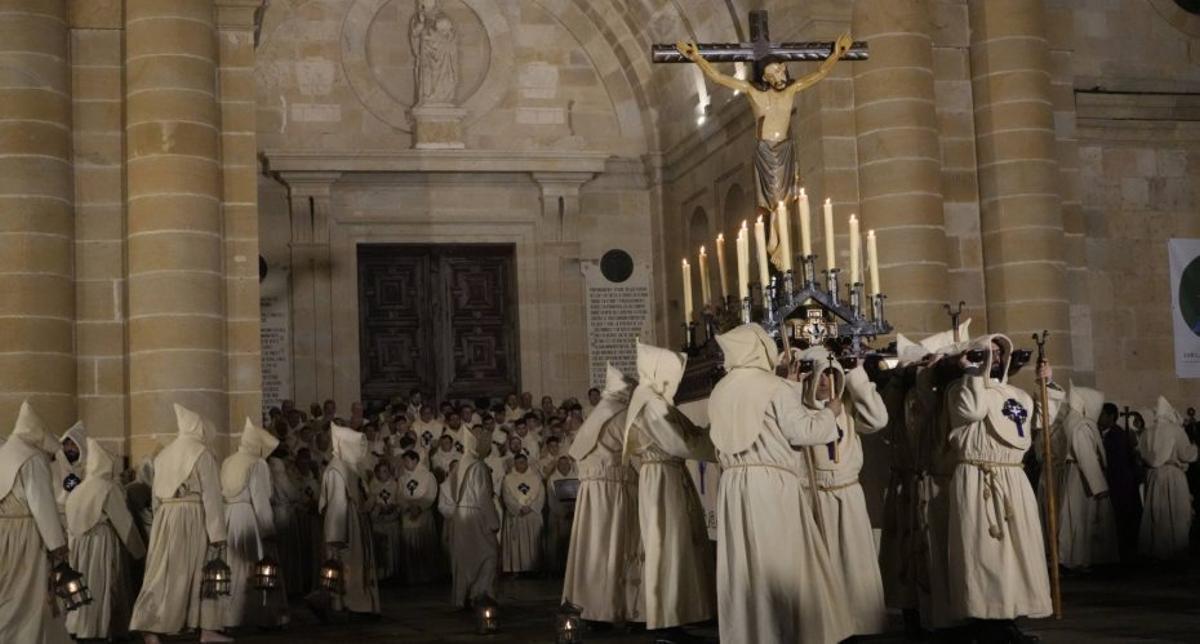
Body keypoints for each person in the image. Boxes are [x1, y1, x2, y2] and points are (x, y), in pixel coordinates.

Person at [706, 324, 851, 644]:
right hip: (771, 487)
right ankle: (789, 633)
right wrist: (830, 413)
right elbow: (803, 432)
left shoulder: (721, 390)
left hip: (734, 488)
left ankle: (752, 633)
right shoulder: (773, 387)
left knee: (748, 566)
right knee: (781, 561)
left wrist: (786, 385)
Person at [945, 334, 1052, 643]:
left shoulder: (1016, 394)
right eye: (986, 353)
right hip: (980, 478)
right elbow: (973, 411)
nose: (994, 358)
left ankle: (1008, 615)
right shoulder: (960, 390)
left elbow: (1041, 424)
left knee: (1017, 553)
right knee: (986, 554)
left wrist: (1047, 387)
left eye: (998, 353)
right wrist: (972, 375)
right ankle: (986, 620)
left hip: (1013, 478)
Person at [622, 341, 718, 631]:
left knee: (676, 544)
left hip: (669, 475)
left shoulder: (656, 399)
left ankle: (680, 613)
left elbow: (687, 433)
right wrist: (718, 438)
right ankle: (667, 620)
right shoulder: (649, 402)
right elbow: (680, 442)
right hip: (662, 479)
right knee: (667, 544)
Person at [795, 346, 890, 636]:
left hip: (847, 495)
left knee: (852, 565)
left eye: (832, 375)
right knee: (823, 567)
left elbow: (878, 419)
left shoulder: (847, 409)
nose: (826, 382)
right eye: (821, 376)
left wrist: (857, 376)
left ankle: (859, 625)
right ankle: (826, 628)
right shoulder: (798, 411)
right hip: (815, 496)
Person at [130, 403, 230, 644]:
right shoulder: (201, 453)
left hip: (166, 517)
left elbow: (155, 496)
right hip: (193, 516)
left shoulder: (164, 454)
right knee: (200, 571)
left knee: (163, 572)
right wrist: (218, 534)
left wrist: (157, 525)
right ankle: (206, 629)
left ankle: (150, 626)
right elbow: (211, 494)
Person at [562, 364, 643, 624]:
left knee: (593, 549)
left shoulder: (597, 416)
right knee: (613, 547)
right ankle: (611, 608)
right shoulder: (621, 416)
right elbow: (639, 455)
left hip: (592, 495)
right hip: (613, 494)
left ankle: (589, 606)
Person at [0, 401, 71, 642]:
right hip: (26, 537)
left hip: (4, 533)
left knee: (8, 597)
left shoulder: (4, 452)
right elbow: (42, 506)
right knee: (27, 600)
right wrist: (58, 547)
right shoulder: (31, 458)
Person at [68, 437, 147, 639]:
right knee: (100, 585)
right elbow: (124, 523)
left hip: (78, 545)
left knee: (81, 586)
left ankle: (79, 626)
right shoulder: (106, 488)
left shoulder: (78, 489)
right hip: (100, 543)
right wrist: (139, 552)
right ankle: (97, 629)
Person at [220, 419, 286, 629]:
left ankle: (227, 616)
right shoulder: (257, 464)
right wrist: (268, 529)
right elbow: (260, 498)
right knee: (256, 568)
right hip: (248, 517)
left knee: (232, 567)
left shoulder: (229, 461)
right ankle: (257, 615)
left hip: (228, 516)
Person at [315, 423, 380, 617]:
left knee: (355, 564)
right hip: (345, 526)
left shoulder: (348, 467)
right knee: (346, 563)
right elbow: (336, 505)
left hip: (354, 521)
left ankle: (356, 600)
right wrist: (335, 537)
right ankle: (346, 602)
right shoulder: (337, 470)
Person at [1058, 384, 1119, 571]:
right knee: (1082, 519)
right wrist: (1099, 486)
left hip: (1077, 474)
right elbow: (1087, 457)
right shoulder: (1081, 426)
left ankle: (1078, 557)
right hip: (1083, 476)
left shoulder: (1074, 422)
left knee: (1078, 517)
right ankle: (1079, 559)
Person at [1139, 396, 1199, 560]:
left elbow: (1143, 455)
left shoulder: (1147, 431)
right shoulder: (1175, 430)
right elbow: (1186, 455)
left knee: (1157, 512)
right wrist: (1194, 447)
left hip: (1153, 476)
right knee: (1175, 512)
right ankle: (1175, 549)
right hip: (1173, 475)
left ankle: (1156, 550)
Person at [449, 426, 501, 608]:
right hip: (476, 516)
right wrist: (493, 522)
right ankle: (481, 594)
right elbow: (483, 496)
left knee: (464, 559)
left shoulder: (460, 464)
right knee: (489, 555)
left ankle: (461, 598)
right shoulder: (478, 466)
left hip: (461, 515)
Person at [1099, 402, 1143, 564]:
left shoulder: (1116, 435)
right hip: (1118, 484)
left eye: (1102, 414)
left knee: (1123, 522)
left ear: (1111, 417)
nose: (1099, 417)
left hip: (1121, 485)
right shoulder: (1107, 434)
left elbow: (1116, 463)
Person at [397, 450, 441, 584]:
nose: (405, 463)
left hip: (423, 514)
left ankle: (427, 576)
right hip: (408, 516)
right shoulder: (402, 478)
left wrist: (420, 507)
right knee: (410, 547)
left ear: (415, 460)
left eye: (407, 460)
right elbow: (399, 495)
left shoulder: (428, 476)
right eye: (404, 461)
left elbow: (431, 494)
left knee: (425, 546)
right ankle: (413, 576)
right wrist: (408, 507)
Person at [501, 452, 544, 575]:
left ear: (527, 462)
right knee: (516, 544)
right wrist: (519, 508)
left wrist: (531, 507)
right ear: (514, 464)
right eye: (518, 462)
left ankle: (534, 569)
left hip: (532, 515)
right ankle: (517, 570)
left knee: (534, 543)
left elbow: (541, 495)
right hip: (517, 515)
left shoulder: (536, 477)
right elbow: (507, 497)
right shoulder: (508, 478)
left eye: (523, 462)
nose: (521, 465)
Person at [367, 460, 402, 581]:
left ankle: (394, 574)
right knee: (381, 550)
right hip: (379, 523)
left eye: (386, 471)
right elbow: (370, 504)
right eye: (381, 472)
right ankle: (381, 576)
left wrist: (392, 507)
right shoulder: (372, 486)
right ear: (376, 473)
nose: (384, 474)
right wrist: (378, 508)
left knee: (393, 549)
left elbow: (399, 500)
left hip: (391, 521)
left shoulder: (395, 485)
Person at [544, 455, 577, 575]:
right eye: (561, 464)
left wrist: (574, 510)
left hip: (574, 514)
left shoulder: (577, 477)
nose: (564, 466)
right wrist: (562, 512)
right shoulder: (552, 479)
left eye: (566, 463)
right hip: (558, 515)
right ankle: (556, 570)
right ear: (557, 465)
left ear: (569, 464)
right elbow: (552, 499)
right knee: (557, 544)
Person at [53, 420, 89, 521]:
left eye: (74, 444)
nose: (70, 448)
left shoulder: (88, 467)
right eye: (67, 444)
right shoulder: (55, 466)